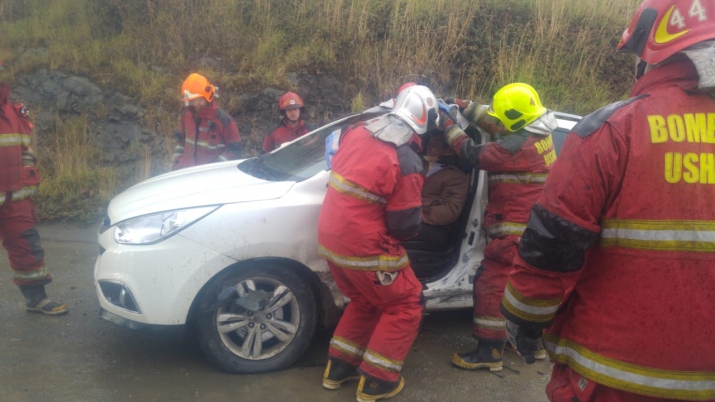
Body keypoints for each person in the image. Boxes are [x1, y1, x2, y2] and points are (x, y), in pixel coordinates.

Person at [499, 1, 715, 401]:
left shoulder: (614, 129)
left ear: (656, 52)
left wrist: (523, 317)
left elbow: (553, 244)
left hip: (614, 373)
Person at [318, 85, 439, 401]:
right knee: (406, 303)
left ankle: (338, 369)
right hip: (366, 249)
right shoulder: (407, 160)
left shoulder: (358, 132)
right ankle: (378, 381)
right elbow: (404, 226)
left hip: (330, 241)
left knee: (365, 300)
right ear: (427, 122)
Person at [437, 83, 558, 372]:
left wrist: (446, 123)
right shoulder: (540, 132)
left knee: (491, 285)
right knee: (526, 289)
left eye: (503, 119)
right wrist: (466, 106)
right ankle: (532, 344)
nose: (499, 123)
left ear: (516, 119)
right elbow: (499, 124)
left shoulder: (515, 148)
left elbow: (471, 153)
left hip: (514, 233)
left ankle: (489, 351)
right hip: (536, 230)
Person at [0, 83, 67, 315]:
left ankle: (36, 299)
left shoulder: (12, 110)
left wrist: (27, 171)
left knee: (26, 246)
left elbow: (24, 149)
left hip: (15, 195)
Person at [172, 73, 242, 170]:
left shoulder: (224, 121)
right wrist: (177, 165)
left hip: (210, 179)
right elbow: (180, 143)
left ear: (207, 96)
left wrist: (214, 170)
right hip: (186, 174)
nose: (196, 104)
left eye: (199, 99)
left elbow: (234, 151)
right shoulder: (186, 116)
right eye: (192, 100)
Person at [411, 135, 469, 247]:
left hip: (431, 225)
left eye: (434, 144)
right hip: (408, 214)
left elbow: (449, 211)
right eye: (428, 143)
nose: (428, 146)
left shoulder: (456, 176)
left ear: (448, 150)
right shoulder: (421, 165)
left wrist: (415, 216)